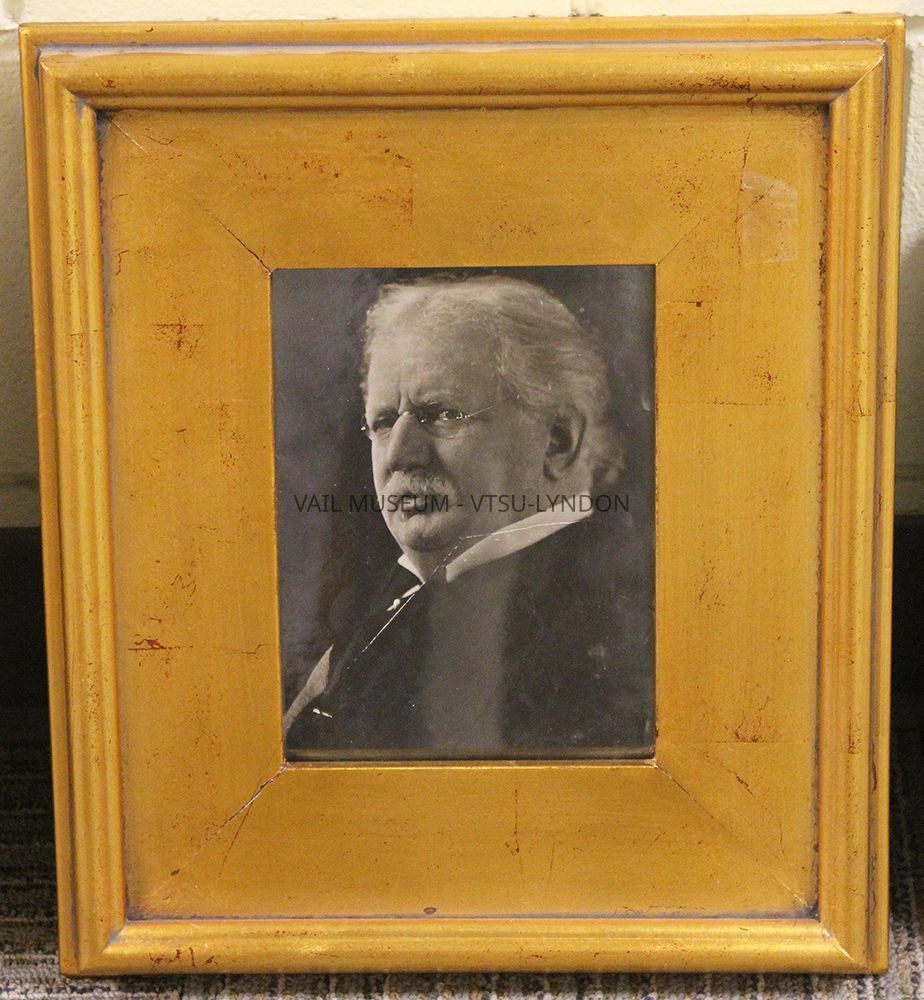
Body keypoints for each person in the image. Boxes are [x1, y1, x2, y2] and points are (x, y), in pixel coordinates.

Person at [284, 274, 653, 757]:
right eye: (383, 422)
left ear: (557, 440)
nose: (399, 455)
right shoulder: (392, 604)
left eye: (442, 414)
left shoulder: (603, 630)